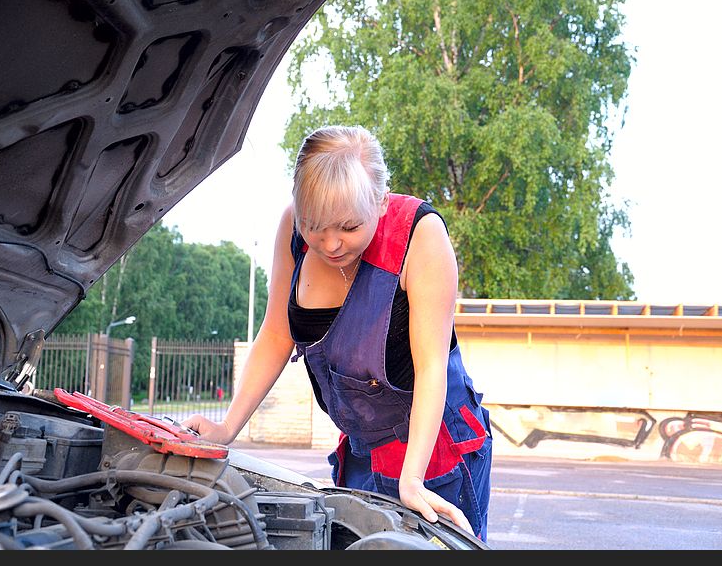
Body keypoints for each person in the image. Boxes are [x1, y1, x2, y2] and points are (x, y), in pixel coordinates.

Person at [183, 125, 492, 539]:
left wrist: (412, 477)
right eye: (315, 226)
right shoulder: (292, 227)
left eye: (348, 227)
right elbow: (276, 335)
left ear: (381, 203)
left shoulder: (420, 235)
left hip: (435, 452)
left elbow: (432, 366)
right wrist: (227, 428)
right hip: (361, 449)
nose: (329, 244)